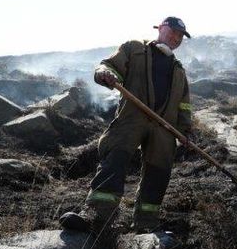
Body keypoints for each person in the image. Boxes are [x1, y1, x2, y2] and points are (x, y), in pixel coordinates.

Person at [59, 16, 193, 235]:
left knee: (159, 173)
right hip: (132, 117)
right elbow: (108, 65)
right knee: (115, 159)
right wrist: (107, 74)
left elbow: (184, 105)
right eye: (173, 32)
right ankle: (96, 216)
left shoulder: (179, 70)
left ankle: (146, 223)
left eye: (180, 36)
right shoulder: (134, 49)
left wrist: (185, 131)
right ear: (160, 28)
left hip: (164, 128)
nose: (176, 38)